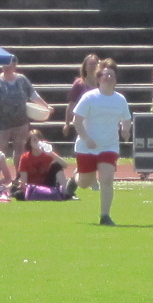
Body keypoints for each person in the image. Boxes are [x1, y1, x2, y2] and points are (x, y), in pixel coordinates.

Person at [72, 64, 133, 224]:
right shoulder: (89, 97)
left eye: (111, 74)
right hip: (87, 146)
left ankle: (105, 216)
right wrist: (86, 138)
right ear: (98, 79)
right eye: (104, 75)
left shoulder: (120, 99)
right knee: (84, 183)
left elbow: (126, 119)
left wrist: (125, 130)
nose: (108, 77)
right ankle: (74, 179)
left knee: (106, 179)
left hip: (109, 146)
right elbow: (77, 121)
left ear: (115, 80)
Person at [0, 58, 44, 162]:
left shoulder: (22, 80)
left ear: (15, 66)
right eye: (5, 65)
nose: (7, 68)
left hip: (20, 122)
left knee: (20, 150)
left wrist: (46, 106)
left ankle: (20, 171)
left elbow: (33, 95)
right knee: (0, 150)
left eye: (10, 65)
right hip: (0, 124)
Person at [17, 132, 72, 198]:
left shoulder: (48, 154)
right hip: (32, 188)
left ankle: (65, 193)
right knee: (18, 194)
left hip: (47, 185)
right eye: (34, 140)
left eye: (39, 140)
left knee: (56, 165)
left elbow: (65, 165)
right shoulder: (25, 157)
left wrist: (51, 153)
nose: (37, 142)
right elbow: (24, 182)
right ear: (30, 143)